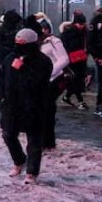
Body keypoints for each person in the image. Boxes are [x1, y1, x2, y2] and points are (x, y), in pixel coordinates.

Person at [0, 29, 54, 185]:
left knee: (34, 139)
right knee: (8, 135)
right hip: (12, 104)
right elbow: (3, 80)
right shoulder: (10, 59)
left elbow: (40, 83)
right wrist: (2, 98)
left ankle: (32, 172)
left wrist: (24, 68)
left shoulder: (43, 61)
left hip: (34, 105)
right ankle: (19, 160)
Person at [34, 17, 70, 150]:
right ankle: (45, 140)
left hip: (53, 80)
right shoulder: (37, 43)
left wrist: (50, 72)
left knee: (47, 110)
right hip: (40, 80)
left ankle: (47, 141)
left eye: (46, 28)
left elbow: (64, 59)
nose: (44, 31)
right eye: (41, 29)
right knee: (42, 110)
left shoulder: (54, 41)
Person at [60, 12, 90, 110]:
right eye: (80, 24)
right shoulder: (68, 33)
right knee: (75, 80)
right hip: (71, 60)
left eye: (83, 24)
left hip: (80, 60)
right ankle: (81, 101)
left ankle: (66, 97)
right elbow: (64, 47)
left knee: (76, 80)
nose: (81, 26)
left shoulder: (84, 33)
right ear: (75, 23)